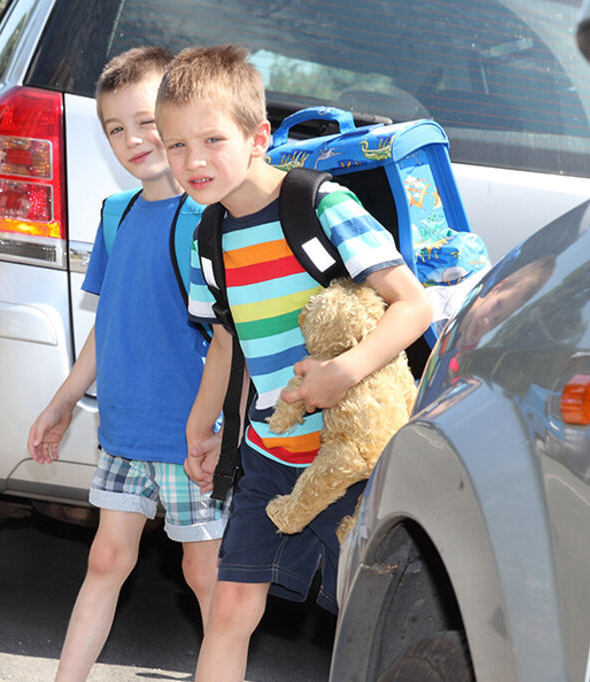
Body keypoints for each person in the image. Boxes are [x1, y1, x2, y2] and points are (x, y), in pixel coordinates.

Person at [154, 45, 433, 681]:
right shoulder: (207, 237)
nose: (193, 162)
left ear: (258, 137)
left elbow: (411, 305)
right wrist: (203, 429)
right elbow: (226, 343)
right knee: (230, 605)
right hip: (270, 454)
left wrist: (344, 371)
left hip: (354, 456)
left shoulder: (318, 205)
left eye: (211, 140)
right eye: (175, 146)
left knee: (357, 618)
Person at [27, 46, 226, 682]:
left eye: (145, 121)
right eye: (115, 127)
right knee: (106, 561)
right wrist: (61, 404)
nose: (132, 139)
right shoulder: (116, 215)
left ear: (174, 119)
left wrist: (220, 428)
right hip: (123, 431)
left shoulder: (208, 219)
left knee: (206, 575)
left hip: (192, 437)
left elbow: (231, 338)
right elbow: (105, 331)